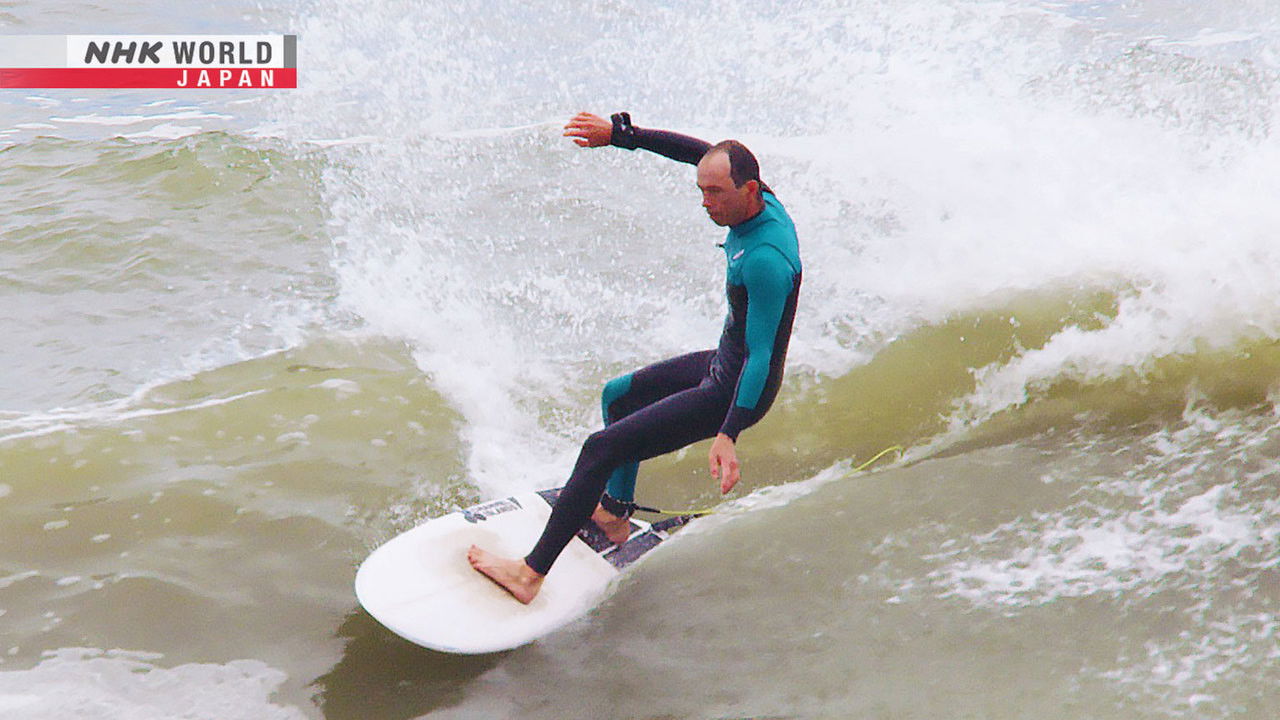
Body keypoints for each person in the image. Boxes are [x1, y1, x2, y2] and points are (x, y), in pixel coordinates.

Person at [467, 111, 802, 604]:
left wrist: (728, 432)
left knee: (599, 448)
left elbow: (761, 355)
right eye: (701, 192)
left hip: (735, 389)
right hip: (723, 362)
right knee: (618, 396)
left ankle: (529, 575)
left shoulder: (767, 260)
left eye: (717, 195)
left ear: (750, 190)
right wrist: (623, 137)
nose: (707, 204)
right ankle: (614, 515)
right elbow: (698, 153)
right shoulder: (754, 195)